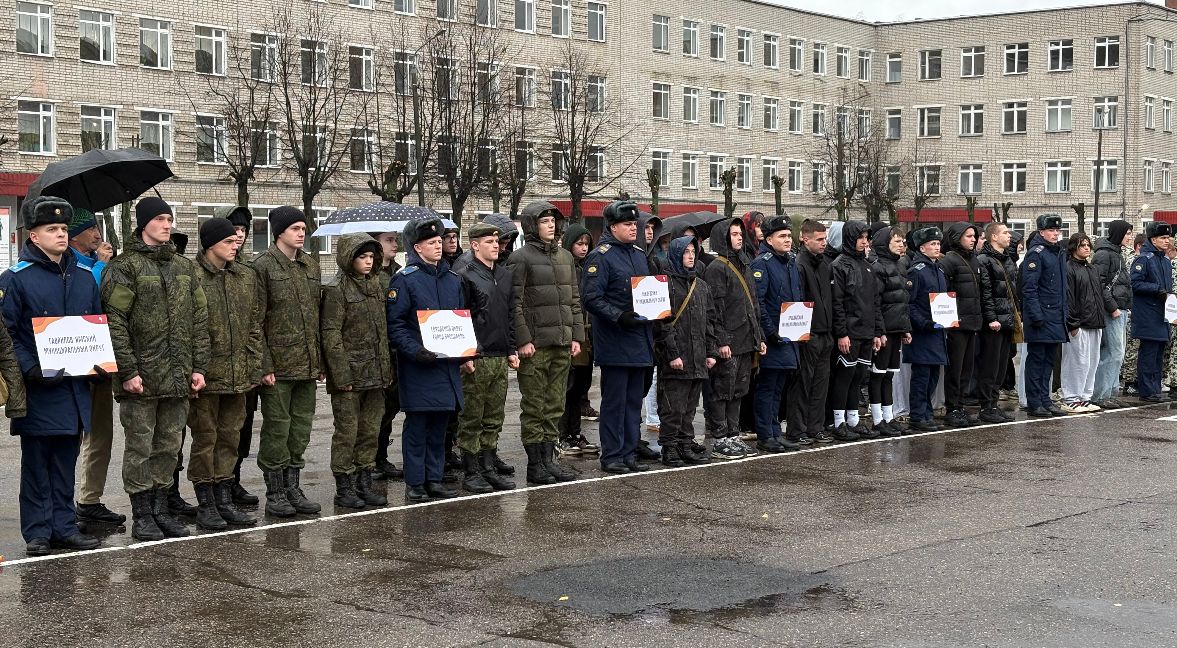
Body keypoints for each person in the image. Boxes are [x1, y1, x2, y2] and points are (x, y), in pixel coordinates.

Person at [101, 196, 210, 540]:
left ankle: (162, 509)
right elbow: (114, 321)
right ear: (144, 223)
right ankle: (143, 514)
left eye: (170, 219)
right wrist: (128, 371)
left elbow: (199, 319)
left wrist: (198, 367)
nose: (168, 225)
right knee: (140, 447)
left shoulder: (183, 267)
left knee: (168, 447)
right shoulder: (124, 267)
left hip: (178, 376)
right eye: (161, 219)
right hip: (142, 378)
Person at [1, 197, 91, 555]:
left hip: (74, 387)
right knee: (37, 464)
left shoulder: (84, 277)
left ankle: (64, 527)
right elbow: (6, 335)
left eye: (65, 229)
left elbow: (96, 324)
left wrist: (99, 362)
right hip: (39, 388)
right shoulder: (15, 279)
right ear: (33, 236)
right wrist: (30, 368)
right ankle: (38, 532)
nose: (61, 234)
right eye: (52, 229)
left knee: (66, 461)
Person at [386, 217, 471, 503]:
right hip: (420, 366)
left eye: (440, 241)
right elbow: (396, 325)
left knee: (440, 426)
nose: (439, 246)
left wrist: (467, 350)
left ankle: (434, 478)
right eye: (432, 243)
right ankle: (415, 482)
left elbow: (459, 319)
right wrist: (415, 351)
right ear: (418, 248)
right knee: (418, 426)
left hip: (446, 366)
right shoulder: (405, 279)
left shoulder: (452, 279)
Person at [186, 217, 261, 529]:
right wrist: (193, 368)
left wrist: (255, 365)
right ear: (210, 244)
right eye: (228, 241)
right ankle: (206, 503)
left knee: (230, 437)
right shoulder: (191, 275)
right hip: (206, 374)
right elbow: (185, 326)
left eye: (236, 240)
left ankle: (224, 498)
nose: (236, 245)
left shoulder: (244, 276)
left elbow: (254, 325)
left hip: (238, 374)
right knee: (206, 438)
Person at [506, 201, 584, 484]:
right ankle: (535, 465)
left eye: (553, 220)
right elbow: (513, 304)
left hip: (562, 344)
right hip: (536, 346)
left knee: (554, 405)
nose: (551, 225)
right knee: (534, 406)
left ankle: (548, 461)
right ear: (531, 226)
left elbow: (574, 300)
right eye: (544, 221)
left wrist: (577, 336)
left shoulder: (565, 257)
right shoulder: (521, 258)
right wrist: (523, 339)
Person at [252, 206, 323, 517]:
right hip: (278, 366)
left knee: (301, 430)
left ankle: (293, 486)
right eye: (295, 228)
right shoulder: (263, 267)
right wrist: (264, 364)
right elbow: (255, 321)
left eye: (303, 228)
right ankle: (275, 491)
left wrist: (318, 360)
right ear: (279, 231)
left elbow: (316, 316)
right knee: (277, 430)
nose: (301, 232)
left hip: (306, 364)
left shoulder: (310, 265)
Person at [581, 200, 656, 474]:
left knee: (633, 401)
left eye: (634, 224)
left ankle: (627, 452)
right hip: (615, 339)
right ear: (613, 227)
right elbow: (591, 298)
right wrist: (618, 315)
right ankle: (612, 454)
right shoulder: (601, 256)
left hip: (639, 339)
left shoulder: (638, 254)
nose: (633, 228)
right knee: (615, 402)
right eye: (627, 224)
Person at [320, 233, 394, 509]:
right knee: (347, 432)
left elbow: (382, 331)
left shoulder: (375, 285)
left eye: (371, 257)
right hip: (350, 375)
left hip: (375, 373)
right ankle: (344, 485)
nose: (367, 262)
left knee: (370, 430)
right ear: (348, 258)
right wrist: (341, 375)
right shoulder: (337, 289)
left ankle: (364, 480)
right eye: (361, 257)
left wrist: (385, 370)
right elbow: (331, 334)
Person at [65, 208, 124, 527]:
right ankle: (61, 503)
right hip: (69, 365)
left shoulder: (93, 264)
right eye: (91, 228)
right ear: (76, 234)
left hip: (99, 364)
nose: (98, 233)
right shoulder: (72, 267)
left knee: (100, 434)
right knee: (68, 437)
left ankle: (89, 499)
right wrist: (101, 264)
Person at [455, 223, 518, 493]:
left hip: (499, 355)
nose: (496, 245)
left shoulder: (504, 275)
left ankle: (489, 466)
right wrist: (465, 354)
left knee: (494, 416)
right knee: (472, 416)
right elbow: (460, 316)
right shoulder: (464, 276)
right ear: (474, 245)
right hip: (477, 357)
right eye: (489, 241)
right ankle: (471, 470)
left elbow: (510, 315)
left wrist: (512, 348)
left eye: (497, 241)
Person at [703, 217, 766, 459]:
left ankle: (733, 434)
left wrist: (758, 336)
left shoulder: (745, 265)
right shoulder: (717, 268)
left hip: (745, 340)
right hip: (728, 342)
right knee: (722, 391)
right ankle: (720, 438)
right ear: (723, 237)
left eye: (741, 233)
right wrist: (721, 341)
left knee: (739, 390)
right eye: (734, 234)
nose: (740, 237)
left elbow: (754, 306)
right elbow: (715, 309)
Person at [655, 235, 717, 466]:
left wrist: (711, 352)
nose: (690, 256)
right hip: (677, 357)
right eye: (686, 252)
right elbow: (662, 323)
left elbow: (709, 321)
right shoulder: (666, 284)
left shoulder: (701, 286)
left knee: (690, 407)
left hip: (698, 355)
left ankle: (684, 443)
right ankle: (669, 447)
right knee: (673, 407)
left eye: (694, 251)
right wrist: (672, 355)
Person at [221, 205, 262, 507]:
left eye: (244, 230)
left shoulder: (249, 271)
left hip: (247, 365)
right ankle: (217, 486)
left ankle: (234, 480)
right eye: (234, 229)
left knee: (244, 427)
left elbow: (258, 321)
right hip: (219, 367)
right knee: (218, 432)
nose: (239, 235)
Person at [829, 220, 885, 440]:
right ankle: (838, 421)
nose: (864, 242)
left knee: (858, 376)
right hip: (850, 333)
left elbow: (874, 302)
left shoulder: (868, 265)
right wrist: (842, 333)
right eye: (860, 237)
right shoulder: (839, 265)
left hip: (866, 331)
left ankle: (853, 420)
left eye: (866, 238)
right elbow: (838, 303)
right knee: (845, 376)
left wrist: (878, 332)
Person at [751, 216, 802, 452]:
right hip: (773, 339)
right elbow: (759, 303)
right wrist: (770, 333)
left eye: (789, 236)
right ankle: (765, 434)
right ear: (769, 239)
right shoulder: (762, 263)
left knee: (779, 388)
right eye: (782, 236)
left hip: (790, 338)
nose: (788, 240)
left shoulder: (790, 261)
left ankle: (774, 431)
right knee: (767, 387)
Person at [787, 219, 835, 445]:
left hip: (825, 333)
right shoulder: (799, 265)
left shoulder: (824, 264)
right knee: (803, 385)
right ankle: (797, 429)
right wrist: (803, 334)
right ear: (805, 240)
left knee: (821, 385)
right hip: (808, 335)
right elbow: (798, 301)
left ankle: (815, 427)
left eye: (825, 239)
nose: (824, 243)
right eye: (819, 239)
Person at [1061, 233, 1118, 413]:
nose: (1086, 248)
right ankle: (1070, 398)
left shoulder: (1091, 268)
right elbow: (1069, 299)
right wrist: (1073, 323)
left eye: (1088, 245)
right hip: (1079, 324)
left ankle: (1085, 397)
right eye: (1082, 245)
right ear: (1073, 248)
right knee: (1076, 362)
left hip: (1095, 322)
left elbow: (1099, 293)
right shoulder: (1069, 268)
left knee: (1091, 362)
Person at [557, 222, 601, 456]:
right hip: (572, 334)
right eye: (579, 243)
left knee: (581, 388)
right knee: (568, 386)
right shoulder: (565, 268)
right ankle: (563, 434)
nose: (583, 248)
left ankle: (574, 432)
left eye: (586, 244)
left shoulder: (590, 267)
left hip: (588, 334)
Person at [1019, 214, 1069, 418]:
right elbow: (1029, 288)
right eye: (1051, 230)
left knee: (1049, 360)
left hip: (1055, 314)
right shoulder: (1036, 254)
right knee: (1037, 360)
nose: (1056, 234)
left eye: (1058, 231)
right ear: (1041, 232)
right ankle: (1034, 402)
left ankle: (1045, 398)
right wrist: (1036, 315)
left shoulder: (1057, 252)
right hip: (1041, 317)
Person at [938, 223, 983, 428]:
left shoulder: (973, 259)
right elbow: (943, 294)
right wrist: (948, 323)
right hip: (956, 325)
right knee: (955, 369)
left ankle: (961, 405)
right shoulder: (949, 261)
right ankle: (952, 408)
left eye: (974, 236)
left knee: (967, 368)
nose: (973, 239)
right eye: (968, 236)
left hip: (973, 323)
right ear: (957, 238)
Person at [905, 227, 949, 432]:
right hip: (923, 333)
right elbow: (911, 304)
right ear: (922, 247)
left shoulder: (939, 270)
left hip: (938, 332)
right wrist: (924, 323)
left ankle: (927, 412)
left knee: (933, 376)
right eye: (932, 244)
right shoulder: (917, 271)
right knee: (921, 376)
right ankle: (917, 414)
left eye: (938, 244)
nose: (937, 247)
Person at [868, 226, 911, 435]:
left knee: (889, 376)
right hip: (883, 331)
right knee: (878, 374)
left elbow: (902, 302)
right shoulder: (877, 268)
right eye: (896, 241)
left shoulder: (900, 265)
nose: (901, 245)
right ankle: (877, 419)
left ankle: (889, 415)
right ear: (884, 244)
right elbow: (875, 303)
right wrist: (879, 331)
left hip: (896, 329)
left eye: (902, 241)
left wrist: (905, 328)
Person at [974, 222, 1019, 423]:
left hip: (1007, 319)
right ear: (993, 237)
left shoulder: (1007, 259)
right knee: (990, 365)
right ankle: (986, 406)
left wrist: (1017, 316)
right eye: (1004, 233)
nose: (1009, 236)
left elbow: (1012, 293)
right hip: (994, 323)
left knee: (1002, 365)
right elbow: (986, 293)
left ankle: (994, 403)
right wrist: (991, 318)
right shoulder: (984, 260)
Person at [372, 230, 405, 481]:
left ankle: (380, 457)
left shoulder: (398, 271)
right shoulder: (370, 274)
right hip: (376, 351)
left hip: (396, 350)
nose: (395, 244)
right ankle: (370, 459)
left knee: (391, 406)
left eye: (395, 240)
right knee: (377, 409)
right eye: (389, 240)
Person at [1090, 220, 1134, 409]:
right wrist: (1112, 306)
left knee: (1118, 353)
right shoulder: (1105, 254)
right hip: (1112, 311)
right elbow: (1098, 283)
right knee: (1112, 352)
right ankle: (1100, 395)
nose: (1130, 237)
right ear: (1118, 234)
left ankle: (1110, 392)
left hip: (1120, 308)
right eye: (1127, 233)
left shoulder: (1116, 252)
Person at [1129, 221, 1174, 402]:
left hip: (1163, 313)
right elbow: (1136, 283)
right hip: (1148, 313)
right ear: (1153, 239)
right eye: (1163, 238)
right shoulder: (1144, 259)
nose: (1167, 241)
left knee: (1158, 354)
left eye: (1168, 237)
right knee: (1149, 353)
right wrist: (1157, 289)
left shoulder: (1164, 260)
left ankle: (1154, 388)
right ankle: (1147, 390)